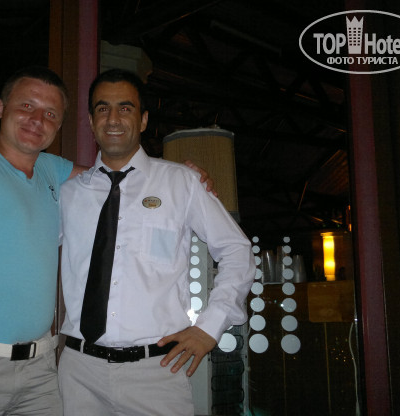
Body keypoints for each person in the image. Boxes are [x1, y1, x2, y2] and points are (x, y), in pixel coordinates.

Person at [0, 66, 214, 415]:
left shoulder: (53, 171)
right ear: (0, 108)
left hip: (40, 373)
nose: (37, 119)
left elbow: (117, 178)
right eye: (26, 106)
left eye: (50, 113)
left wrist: (180, 176)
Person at [57, 68, 255, 415]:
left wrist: (208, 328)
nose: (113, 118)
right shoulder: (68, 193)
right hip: (78, 374)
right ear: (90, 121)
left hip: (156, 373)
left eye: (126, 108)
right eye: (103, 108)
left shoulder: (181, 183)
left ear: (144, 119)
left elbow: (237, 251)